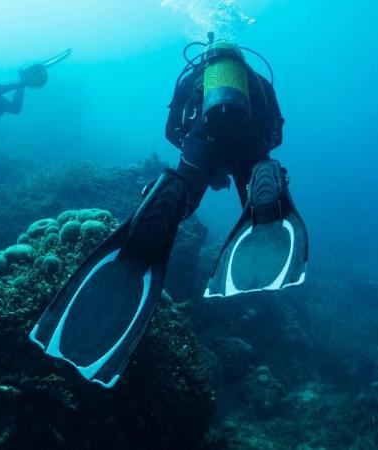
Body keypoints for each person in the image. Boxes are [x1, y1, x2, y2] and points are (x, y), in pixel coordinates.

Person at [29, 35, 308, 388]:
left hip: (201, 140)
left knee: (185, 194)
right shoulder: (257, 80)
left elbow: (171, 128)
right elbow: (276, 130)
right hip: (250, 142)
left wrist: (201, 152)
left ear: (206, 56)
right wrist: (250, 151)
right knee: (255, 184)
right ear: (240, 57)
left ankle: (170, 191)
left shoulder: (196, 76)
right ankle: (263, 179)